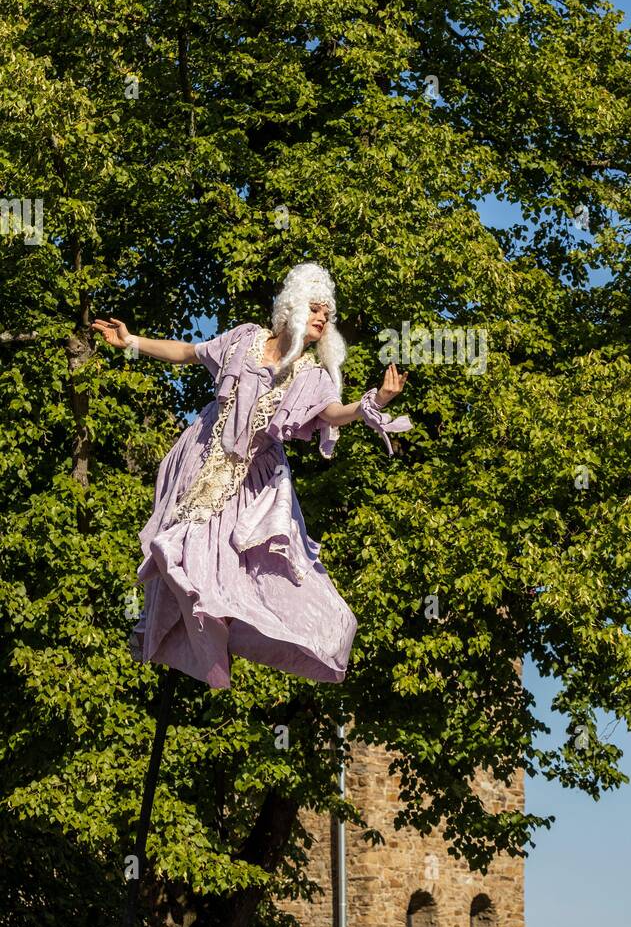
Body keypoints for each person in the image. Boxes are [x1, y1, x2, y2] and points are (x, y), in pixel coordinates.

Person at [92, 263, 410, 690]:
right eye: (315, 309)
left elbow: (334, 413)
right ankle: (188, 632)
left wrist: (375, 400)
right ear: (293, 309)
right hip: (202, 459)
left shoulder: (311, 376)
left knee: (217, 566)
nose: (322, 319)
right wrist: (131, 341)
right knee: (182, 552)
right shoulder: (243, 340)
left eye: (326, 314)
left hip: (249, 483)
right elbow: (188, 351)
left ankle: (219, 633)